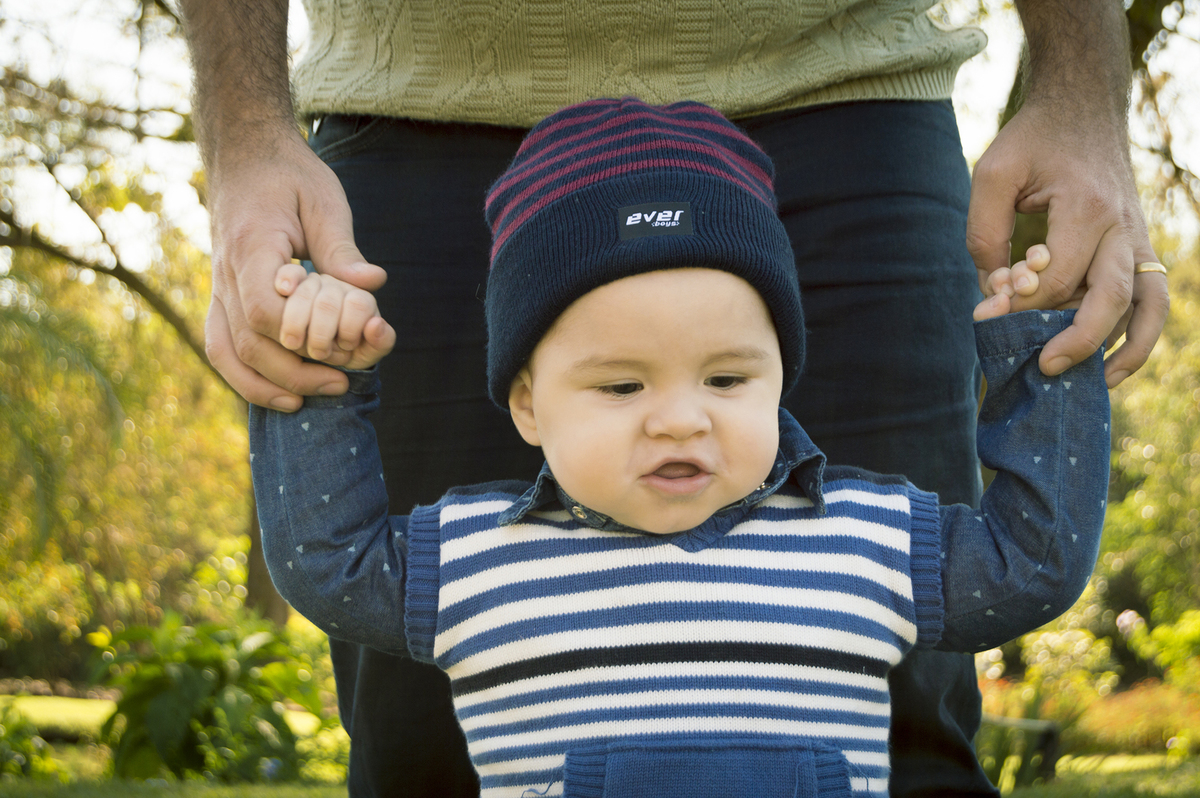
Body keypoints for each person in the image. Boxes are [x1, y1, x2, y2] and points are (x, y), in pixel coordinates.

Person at [178, 2, 1170, 795]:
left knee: (921, 749)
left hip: (851, 101)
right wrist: (315, 354)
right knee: (416, 751)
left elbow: (1029, 566)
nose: (682, 416)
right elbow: (331, 564)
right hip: (416, 113)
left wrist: (1047, 341)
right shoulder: (468, 565)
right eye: (621, 385)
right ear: (526, 404)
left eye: (730, 378)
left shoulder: (874, 545)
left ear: (790, 372)